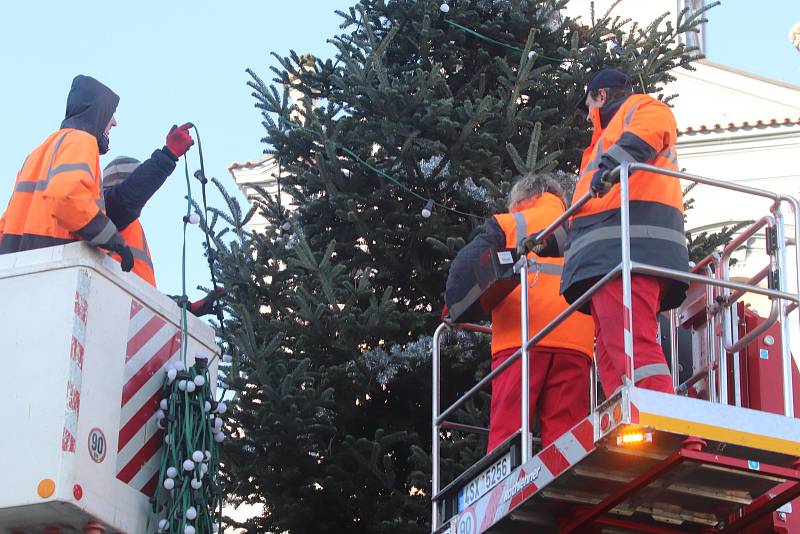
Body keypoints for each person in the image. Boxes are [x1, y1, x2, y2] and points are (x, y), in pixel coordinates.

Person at [560, 68, 689, 397]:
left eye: (588, 105)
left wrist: (610, 166)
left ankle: (664, 419)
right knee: (609, 349)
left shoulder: (644, 109)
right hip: (607, 257)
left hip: (629, 249)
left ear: (600, 96)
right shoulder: (598, 147)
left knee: (632, 345)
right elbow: (586, 211)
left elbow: (646, 136)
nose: (588, 116)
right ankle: (629, 413)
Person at [446, 174, 595, 451]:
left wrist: (453, 308)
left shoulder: (509, 224)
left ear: (525, 198)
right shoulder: (580, 225)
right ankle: (562, 488)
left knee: (509, 429)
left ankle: (503, 489)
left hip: (521, 340)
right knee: (566, 433)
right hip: (576, 341)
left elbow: (465, 269)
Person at [0, 75, 133, 270]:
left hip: (17, 275)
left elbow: (7, 221)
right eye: (111, 112)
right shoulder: (81, 140)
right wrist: (112, 239)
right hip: (55, 270)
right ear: (98, 112)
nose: (114, 122)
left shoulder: (40, 151)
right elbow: (66, 196)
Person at [102, 123, 194, 285]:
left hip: (134, 306)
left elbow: (145, 288)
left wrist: (183, 306)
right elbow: (129, 196)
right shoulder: (104, 211)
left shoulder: (132, 227)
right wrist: (168, 155)